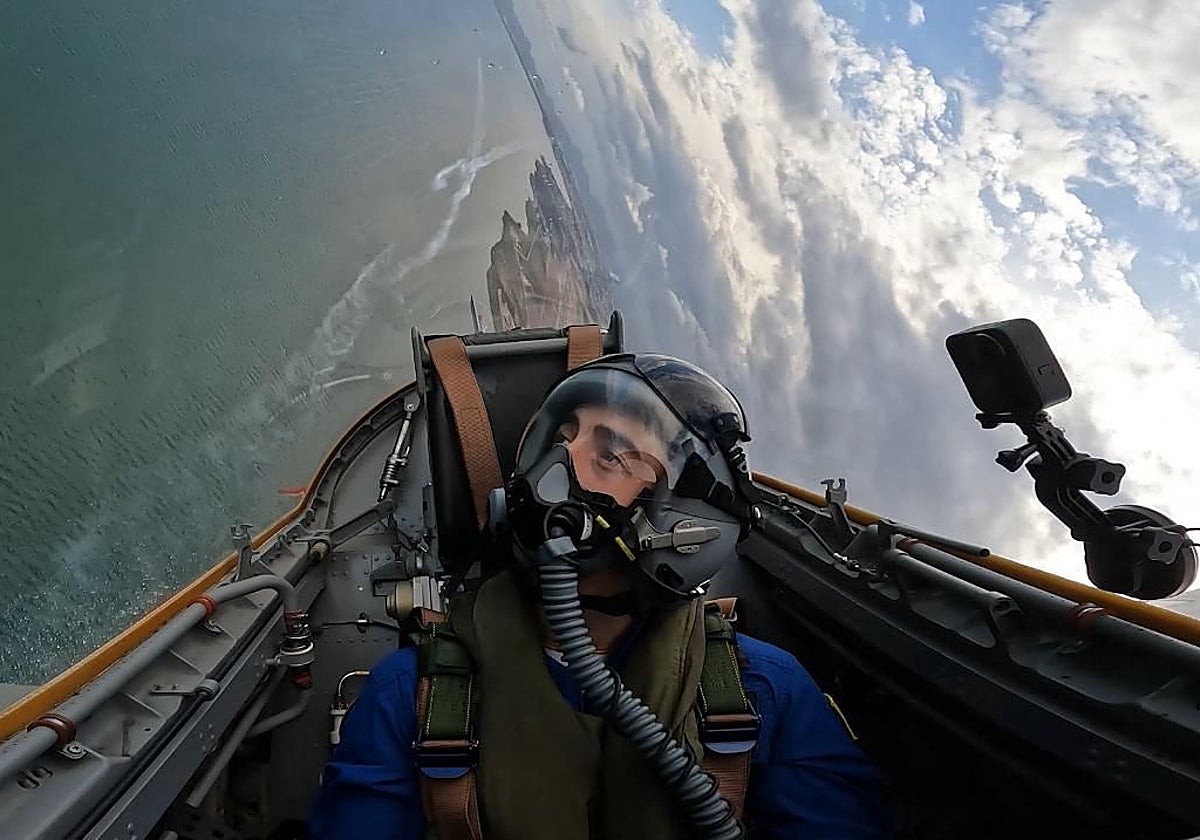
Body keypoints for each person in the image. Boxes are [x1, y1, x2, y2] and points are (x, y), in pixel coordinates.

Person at [309, 354, 892, 838]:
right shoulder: (414, 696)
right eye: (562, 438)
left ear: (678, 525)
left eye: (612, 454)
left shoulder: (764, 694)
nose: (557, 464)